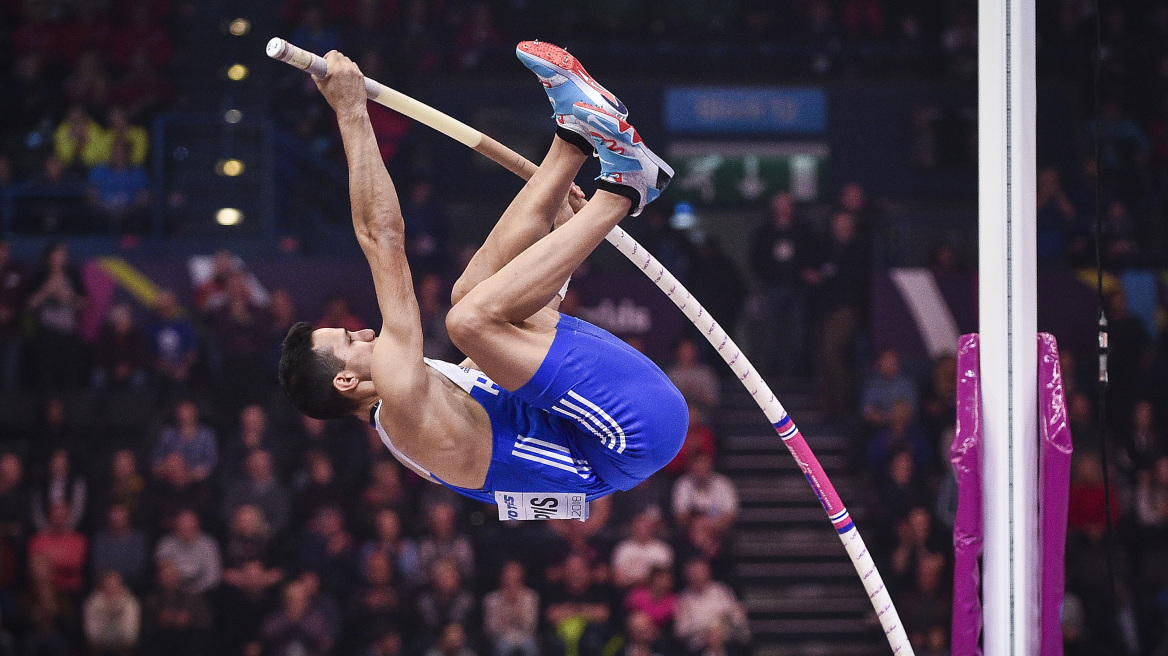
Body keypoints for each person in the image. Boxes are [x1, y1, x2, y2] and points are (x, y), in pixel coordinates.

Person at [278, 43, 684, 518]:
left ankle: (571, 139)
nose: (365, 331)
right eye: (350, 339)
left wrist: (565, 237)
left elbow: (533, 321)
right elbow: (380, 238)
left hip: (619, 432)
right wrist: (351, 113)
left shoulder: (440, 403)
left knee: (472, 301)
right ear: (346, 381)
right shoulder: (403, 406)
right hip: (633, 434)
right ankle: (624, 189)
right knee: (467, 319)